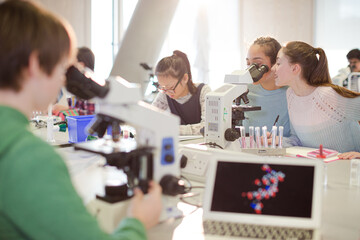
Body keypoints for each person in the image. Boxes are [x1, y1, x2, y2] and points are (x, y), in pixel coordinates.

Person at [0, 1, 162, 239]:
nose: (63, 81)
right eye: (63, 67)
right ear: (35, 64)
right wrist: (138, 222)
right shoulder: (27, 156)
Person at [273, 41, 360, 153]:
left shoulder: (328, 95)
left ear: (295, 69)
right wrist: (280, 141)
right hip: (320, 166)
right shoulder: (291, 95)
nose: (273, 68)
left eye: (278, 63)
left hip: (346, 167)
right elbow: (299, 139)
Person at [152, 50, 211, 135]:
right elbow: (150, 118)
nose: (167, 92)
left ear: (184, 78)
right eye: (162, 87)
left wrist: (173, 129)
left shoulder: (203, 91)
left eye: (171, 87)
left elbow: (207, 127)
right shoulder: (165, 93)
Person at [243, 37, 291, 137]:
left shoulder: (291, 93)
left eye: (258, 64)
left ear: (275, 63)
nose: (251, 70)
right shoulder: (244, 91)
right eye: (248, 63)